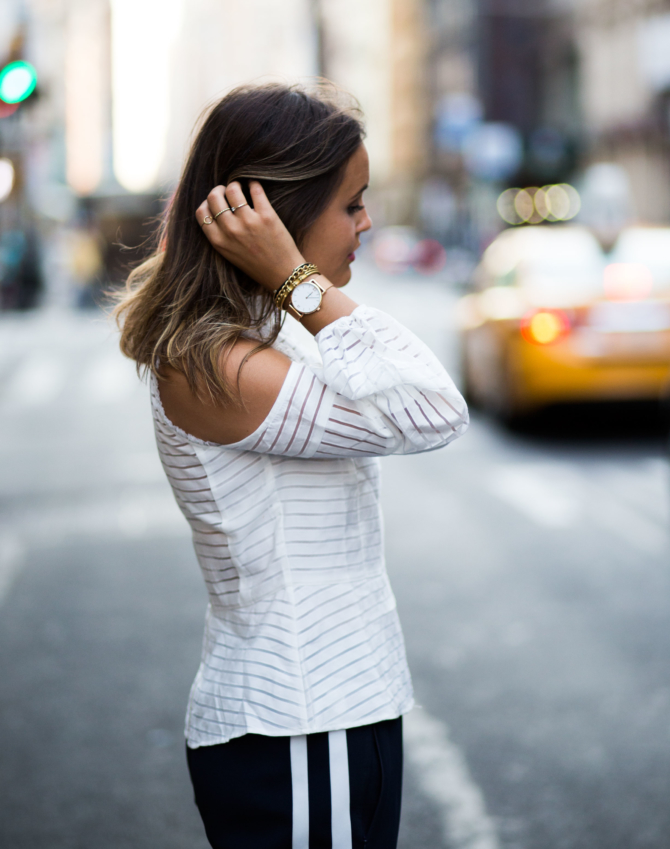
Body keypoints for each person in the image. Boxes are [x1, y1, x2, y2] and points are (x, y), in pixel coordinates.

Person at [115, 82, 468, 849]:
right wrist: (302, 283)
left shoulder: (264, 335)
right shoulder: (215, 362)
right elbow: (432, 410)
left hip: (332, 716)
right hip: (300, 723)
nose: (366, 223)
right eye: (351, 204)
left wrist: (298, 293)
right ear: (273, 214)